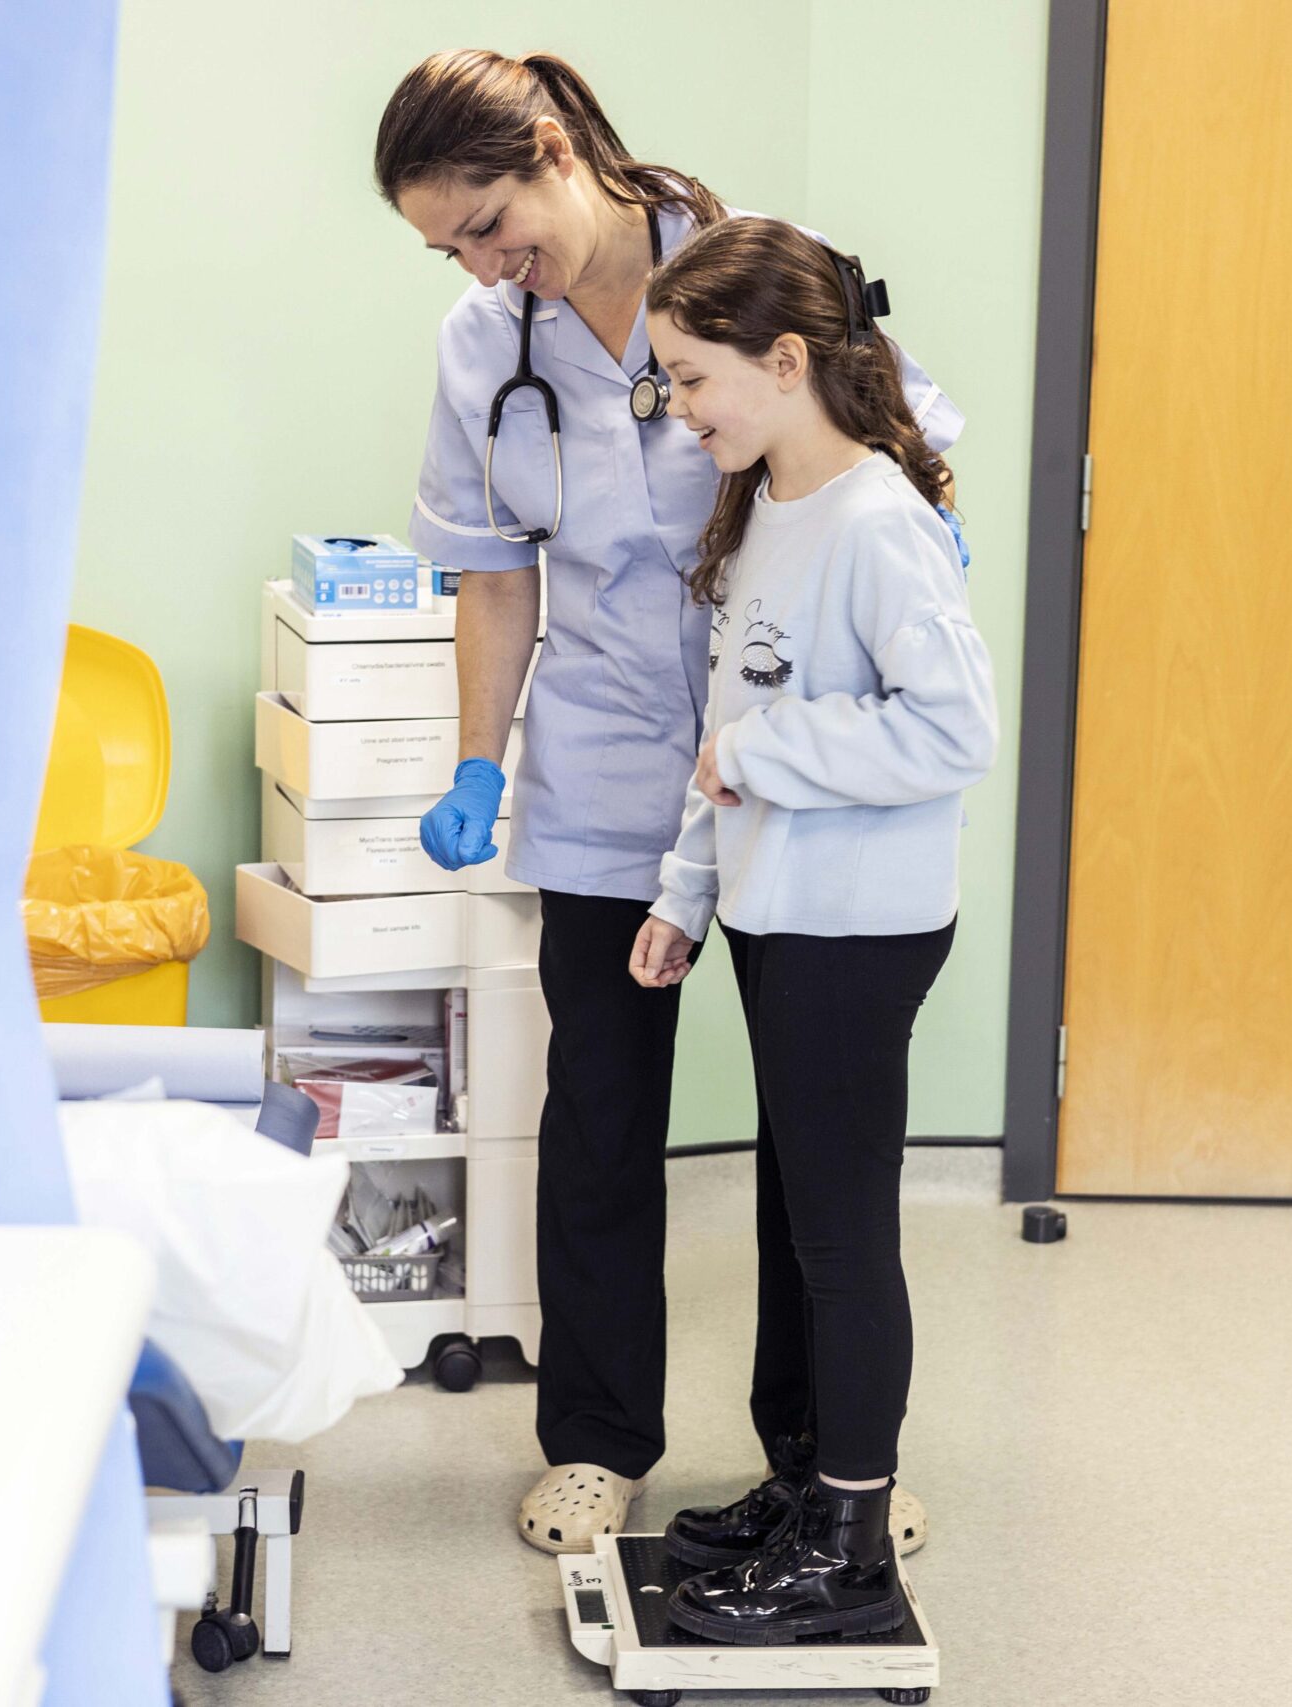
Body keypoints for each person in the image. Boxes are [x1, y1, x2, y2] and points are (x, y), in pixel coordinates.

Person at [374, 50, 961, 1555]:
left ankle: (830, 1465)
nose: (487, 262)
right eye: (454, 245)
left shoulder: (753, 269)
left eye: (494, 220)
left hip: (780, 765)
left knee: (807, 1142)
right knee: (602, 1121)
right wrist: (479, 761)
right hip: (608, 762)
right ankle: (598, 1441)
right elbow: (496, 580)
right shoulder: (478, 342)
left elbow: (898, 453)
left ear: (561, 149)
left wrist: (908, 601)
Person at [628, 216, 998, 1643]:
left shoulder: (881, 523)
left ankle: (850, 1535)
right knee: (795, 1226)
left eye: (693, 377)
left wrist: (770, 755)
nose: (679, 407)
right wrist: (685, 893)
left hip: (860, 931)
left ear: (786, 362)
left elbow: (952, 729)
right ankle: (802, 1483)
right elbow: (730, 729)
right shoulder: (771, 505)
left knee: (838, 1238)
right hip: (781, 918)